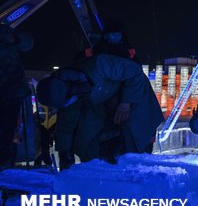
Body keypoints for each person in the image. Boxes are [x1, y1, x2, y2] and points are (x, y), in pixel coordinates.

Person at [36, 53, 164, 169]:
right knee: (86, 138)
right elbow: (66, 126)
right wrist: (65, 155)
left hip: (134, 101)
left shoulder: (100, 65)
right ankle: (99, 171)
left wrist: (126, 103)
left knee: (134, 143)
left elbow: (135, 72)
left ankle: (135, 173)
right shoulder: (67, 97)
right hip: (103, 108)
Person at [0, 23, 33, 170]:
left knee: (8, 132)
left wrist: (14, 38)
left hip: (10, 91)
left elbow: (27, 43)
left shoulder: (5, 30)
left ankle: (5, 168)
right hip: (11, 90)